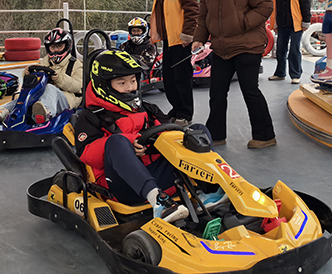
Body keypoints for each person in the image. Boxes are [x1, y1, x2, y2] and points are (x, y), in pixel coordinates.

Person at [74, 49, 224, 223]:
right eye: (122, 83)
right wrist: (129, 143)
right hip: (125, 185)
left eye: (132, 80)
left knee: (198, 130)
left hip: (158, 173)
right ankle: (159, 202)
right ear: (104, 85)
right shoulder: (90, 117)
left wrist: (160, 139)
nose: (130, 87)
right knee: (116, 141)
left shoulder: (147, 108)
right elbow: (87, 155)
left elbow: (170, 132)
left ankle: (211, 190)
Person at [192, 0, 276, 149]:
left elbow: (265, 6)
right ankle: (216, 134)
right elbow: (203, 15)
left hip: (247, 45)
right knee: (217, 93)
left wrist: (243, 22)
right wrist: (199, 38)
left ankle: (265, 135)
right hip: (221, 47)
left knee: (250, 91)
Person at [0, 27, 83, 124]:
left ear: (67, 46)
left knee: (50, 87)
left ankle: (46, 112)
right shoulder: (45, 62)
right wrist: (28, 74)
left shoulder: (76, 64)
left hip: (67, 101)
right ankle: (4, 111)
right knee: (28, 95)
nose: (55, 50)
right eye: (53, 47)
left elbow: (78, 87)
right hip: (42, 98)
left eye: (59, 46)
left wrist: (59, 79)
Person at [150, 0, 199, 127]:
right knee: (169, 78)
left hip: (181, 40)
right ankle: (176, 109)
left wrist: (187, 35)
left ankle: (185, 113)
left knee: (181, 78)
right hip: (168, 40)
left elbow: (192, 11)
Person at [268, 0, 311, 84]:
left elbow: (306, 7)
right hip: (282, 25)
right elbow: (274, 9)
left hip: (296, 25)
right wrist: (275, 25)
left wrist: (305, 23)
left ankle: (295, 75)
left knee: (294, 50)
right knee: (280, 50)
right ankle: (280, 73)